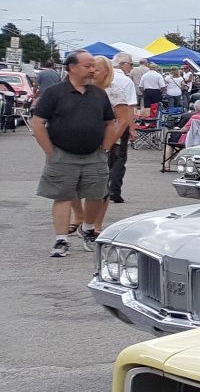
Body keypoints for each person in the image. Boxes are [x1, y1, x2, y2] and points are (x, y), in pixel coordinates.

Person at [31, 52, 118, 257]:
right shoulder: (55, 93)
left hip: (94, 155)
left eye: (94, 67)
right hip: (62, 154)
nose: (92, 70)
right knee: (63, 196)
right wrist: (50, 151)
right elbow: (37, 123)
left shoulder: (98, 94)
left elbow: (110, 123)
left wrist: (104, 148)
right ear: (71, 67)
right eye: (88, 66)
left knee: (97, 194)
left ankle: (88, 229)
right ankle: (61, 240)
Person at [105, 55, 138, 204]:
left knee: (103, 155)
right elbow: (129, 106)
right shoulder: (125, 81)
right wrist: (132, 128)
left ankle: (102, 188)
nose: (131, 67)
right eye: (130, 64)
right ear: (122, 64)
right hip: (120, 122)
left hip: (102, 123)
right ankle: (115, 190)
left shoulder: (103, 78)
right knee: (119, 157)